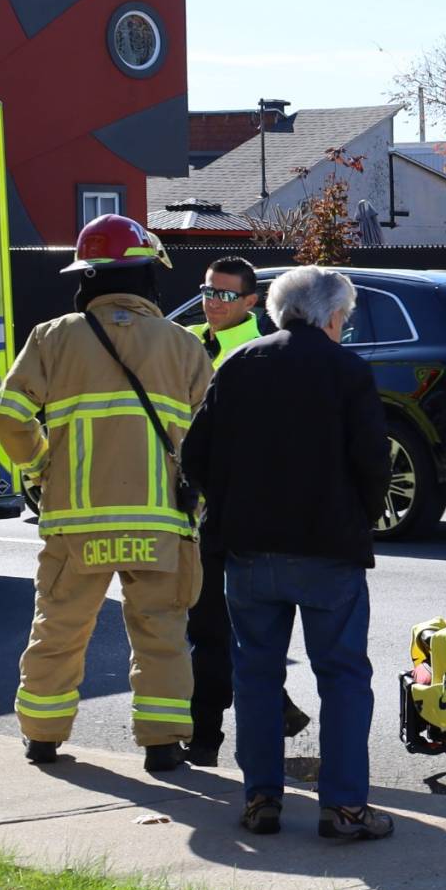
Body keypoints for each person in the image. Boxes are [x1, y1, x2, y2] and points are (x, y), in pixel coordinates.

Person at [181, 266, 395, 842]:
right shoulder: (348, 371)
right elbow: (374, 462)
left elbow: (195, 456)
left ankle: (260, 800)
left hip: (249, 550)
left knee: (254, 674)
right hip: (328, 550)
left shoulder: (238, 364)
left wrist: (227, 506)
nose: (343, 327)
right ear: (330, 317)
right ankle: (345, 808)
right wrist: (360, 518)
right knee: (344, 677)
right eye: (343, 319)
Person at [0, 215, 209, 772]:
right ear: (147, 276)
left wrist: (42, 466)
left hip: (75, 522)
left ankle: (43, 738)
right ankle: (162, 746)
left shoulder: (52, 338)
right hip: (160, 524)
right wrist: (199, 502)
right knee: (162, 633)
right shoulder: (184, 346)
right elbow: (214, 442)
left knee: (59, 630)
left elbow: (9, 419)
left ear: (86, 277)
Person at [183, 257, 306, 766]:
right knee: (208, 630)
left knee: (249, 630)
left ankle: (261, 723)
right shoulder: (185, 340)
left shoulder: (262, 351)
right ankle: (210, 735)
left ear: (252, 302)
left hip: (250, 512)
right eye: (208, 291)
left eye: (226, 295)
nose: (213, 302)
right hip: (203, 512)